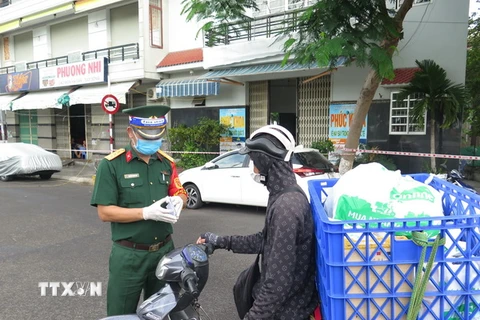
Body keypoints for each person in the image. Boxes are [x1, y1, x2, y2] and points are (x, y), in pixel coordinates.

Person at [197, 125, 319, 320]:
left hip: (286, 312)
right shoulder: (283, 193)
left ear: (265, 161)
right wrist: (221, 241)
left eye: (253, 160)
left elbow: (277, 284)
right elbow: (265, 240)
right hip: (286, 306)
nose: (251, 167)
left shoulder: (286, 207)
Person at [90, 105, 187, 316]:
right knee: (120, 313)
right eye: (147, 136)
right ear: (131, 133)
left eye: (156, 137)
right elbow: (104, 212)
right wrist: (145, 213)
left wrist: (180, 201)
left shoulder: (166, 163)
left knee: (161, 311)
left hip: (164, 251)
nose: (153, 142)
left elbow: (179, 191)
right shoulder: (112, 165)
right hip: (129, 255)